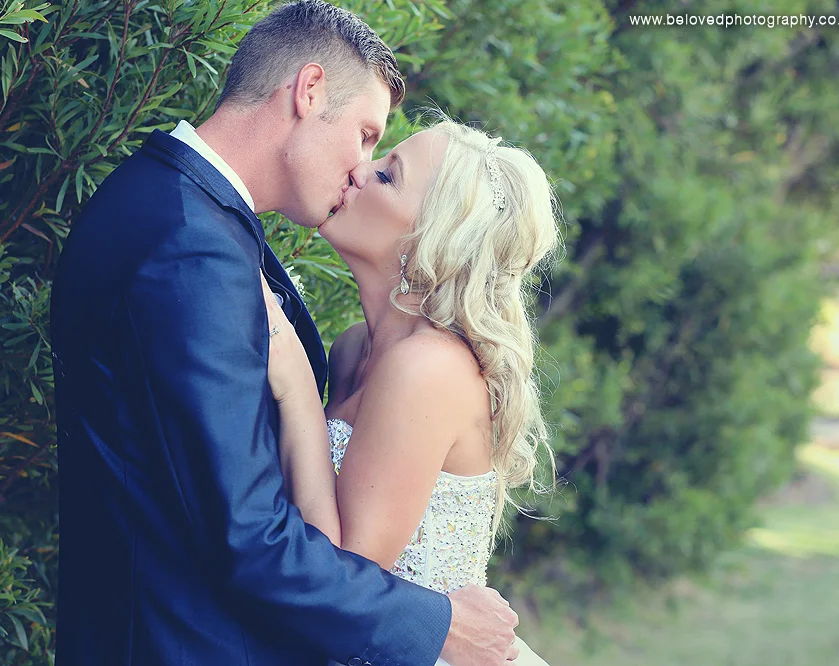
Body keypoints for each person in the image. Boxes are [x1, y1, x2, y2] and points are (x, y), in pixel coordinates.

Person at [50, 2, 519, 665]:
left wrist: (300, 392)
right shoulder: (193, 246)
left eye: (384, 164)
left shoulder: (177, 209)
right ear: (309, 91)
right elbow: (250, 537)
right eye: (366, 136)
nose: (361, 169)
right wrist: (437, 626)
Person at [261, 117, 560, 666]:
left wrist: (298, 391)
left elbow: (343, 577)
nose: (359, 169)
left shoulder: (428, 369)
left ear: (432, 238)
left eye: (387, 175)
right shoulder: (353, 349)